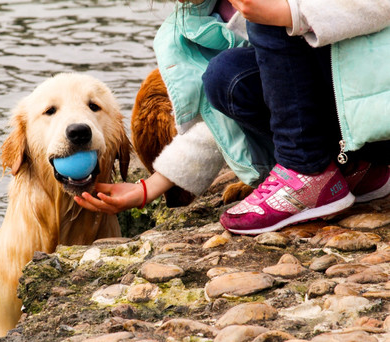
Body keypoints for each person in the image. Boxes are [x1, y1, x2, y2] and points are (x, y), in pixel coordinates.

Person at [75, 0, 390, 235]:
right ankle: (351, 170)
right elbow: (217, 122)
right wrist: (149, 187)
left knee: (269, 12)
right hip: (349, 136)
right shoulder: (197, 20)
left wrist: (294, 12)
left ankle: (305, 172)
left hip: (379, 116)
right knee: (225, 77)